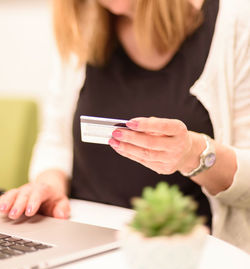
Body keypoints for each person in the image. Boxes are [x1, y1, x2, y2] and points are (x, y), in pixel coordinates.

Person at [0, 0, 249, 252]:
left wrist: (194, 153)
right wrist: (50, 186)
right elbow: (56, 141)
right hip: (80, 245)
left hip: (183, 256)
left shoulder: (235, 24)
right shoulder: (83, 25)